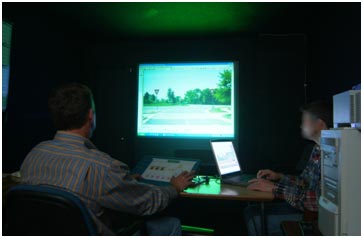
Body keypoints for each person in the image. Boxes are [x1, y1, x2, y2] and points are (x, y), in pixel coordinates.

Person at [20, 83, 194, 235]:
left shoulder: (34, 154)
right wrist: (174, 187)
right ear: (90, 116)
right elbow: (149, 203)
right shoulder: (102, 166)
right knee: (171, 224)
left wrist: (123, 183)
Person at [244, 101, 332, 235]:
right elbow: (305, 182)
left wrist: (274, 188)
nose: (301, 125)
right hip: (304, 208)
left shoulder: (333, 155)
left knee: (254, 217)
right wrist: (279, 177)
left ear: (320, 124)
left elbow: (317, 201)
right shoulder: (317, 149)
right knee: (250, 211)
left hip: (314, 217)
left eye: (304, 121)